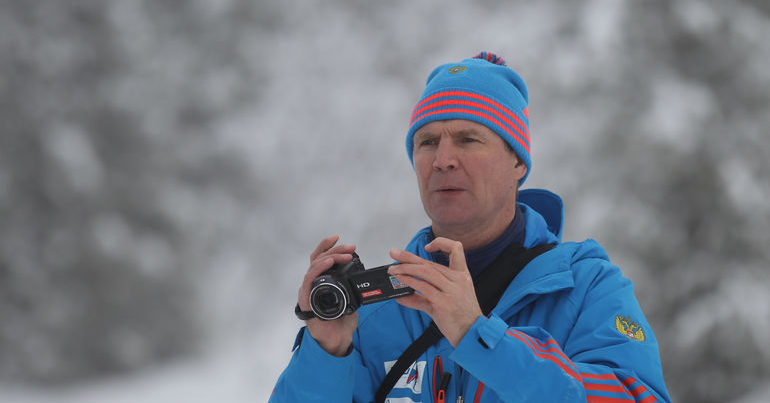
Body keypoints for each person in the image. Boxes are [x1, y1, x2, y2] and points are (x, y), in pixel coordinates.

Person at [270, 52, 671, 402]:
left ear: (518, 162)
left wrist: (478, 337)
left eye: (467, 139)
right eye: (427, 142)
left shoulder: (585, 288)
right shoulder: (377, 312)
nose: (443, 159)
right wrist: (325, 352)